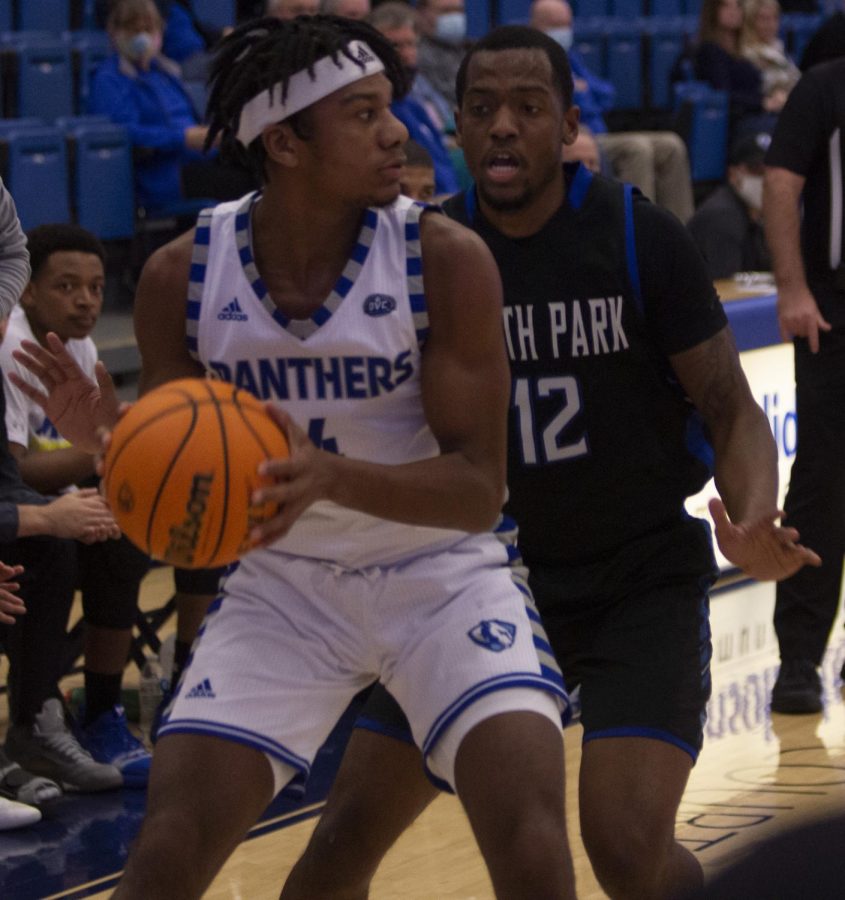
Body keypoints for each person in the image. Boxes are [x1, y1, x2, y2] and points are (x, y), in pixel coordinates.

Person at [15, 16, 577, 898]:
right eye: (361, 114)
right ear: (284, 142)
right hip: (285, 591)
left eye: (389, 108)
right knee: (165, 853)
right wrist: (118, 448)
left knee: (534, 845)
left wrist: (327, 477)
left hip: (442, 579)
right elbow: (180, 527)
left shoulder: (443, 258)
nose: (396, 131)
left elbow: (477, 492)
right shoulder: (183, 274)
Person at [275, 25, 819, 900]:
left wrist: (751, 517)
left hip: (634, 582)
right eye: (482, 108)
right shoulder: (426, 254)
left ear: (567, 123)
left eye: (528, 109)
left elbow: (728, 407)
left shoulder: (638, 237)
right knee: (339, 839)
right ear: (454, 125)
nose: (502, 127)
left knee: (623, 848)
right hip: (474, 583)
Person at [0, 224, 152, 787]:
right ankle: (34, 718)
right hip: (20, 517)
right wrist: (106, 454)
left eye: (94, 287)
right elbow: (11, 474)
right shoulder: (12, 349)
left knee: (132, 530)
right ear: (27, 291)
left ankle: (103, 711)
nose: (86, 300)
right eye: (67, 286)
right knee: (56, 547)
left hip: (47, 508)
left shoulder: (79, 347)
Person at [764, 56, 845, 714]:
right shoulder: (823, 88)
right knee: (821, 483)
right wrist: (791, 286)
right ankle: (797, 659)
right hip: (834, 316)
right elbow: (779, 183)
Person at [530, 0, 696, 223]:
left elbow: (607, 94)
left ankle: (681, 234)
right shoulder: (534, 61)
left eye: (567, 24)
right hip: (579, 138)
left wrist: (582, 90)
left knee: (671, 145)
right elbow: (569, 102)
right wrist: (582, 91)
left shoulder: (569, 57)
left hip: (603, 134)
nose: (564, 30)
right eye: (556, 24)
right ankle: (637, 234)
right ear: (537, 25)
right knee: (637, 148)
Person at [87, 0, 256, 214]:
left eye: (148, 29)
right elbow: (123, 133)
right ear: (114, 32)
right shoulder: (109, 78)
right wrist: (182, 137)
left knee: (259, 165)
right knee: (241, 183)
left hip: (201, 158)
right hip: (163, 174)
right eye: (133, 29)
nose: (142, 36)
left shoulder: (166, 72)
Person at [368, 2, 459, 196]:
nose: (406, 54)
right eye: (395, 45)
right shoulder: (373, 113)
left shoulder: (414, 106)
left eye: (410, 44)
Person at [688, 131, 772, 279]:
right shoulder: (721, 217)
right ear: (733, 174)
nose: (764, 180)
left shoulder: (759, 216)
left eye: (770, 172)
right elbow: (725, 288)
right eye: (756, 171)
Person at [741, 0, 800, 112]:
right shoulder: (745, 53)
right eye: (763, 19)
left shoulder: (778, 47)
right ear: (750, 21)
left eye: (775, 18)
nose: (771, 25)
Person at [416, 0, 471, 109]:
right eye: (446, 11)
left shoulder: (468, 49)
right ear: (422, 14)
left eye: (458, 10)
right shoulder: (419, 56)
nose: (454, 17)